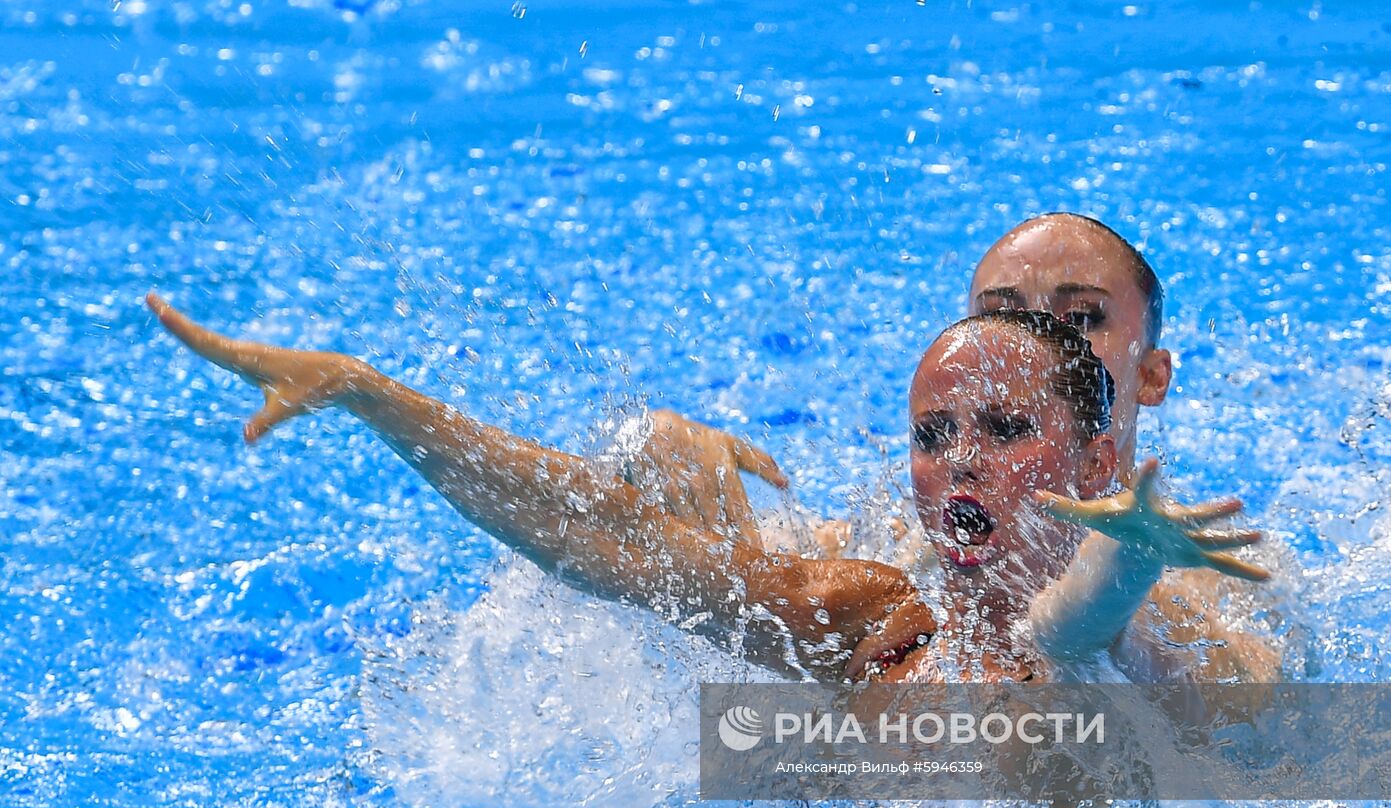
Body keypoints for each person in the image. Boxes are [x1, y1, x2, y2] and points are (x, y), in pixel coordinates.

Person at [145, 292, 1266, 684]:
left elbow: (1070, 631)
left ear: (1094, 459)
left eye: (1004, 428)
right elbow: (607, 544)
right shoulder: (869, 621)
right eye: (930, 433)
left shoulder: (1174, 645)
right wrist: (364, 390)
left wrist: (1130, 552)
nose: (958, 457)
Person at [630, 213, 1283, 681]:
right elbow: (710, 579)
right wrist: (654, 448)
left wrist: (1124, 577)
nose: (1032, 338)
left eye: (1083, 316)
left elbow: (1247, 715)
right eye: (999, 314)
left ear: (1151, 374)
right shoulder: (899, 541)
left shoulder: (1212, 568)